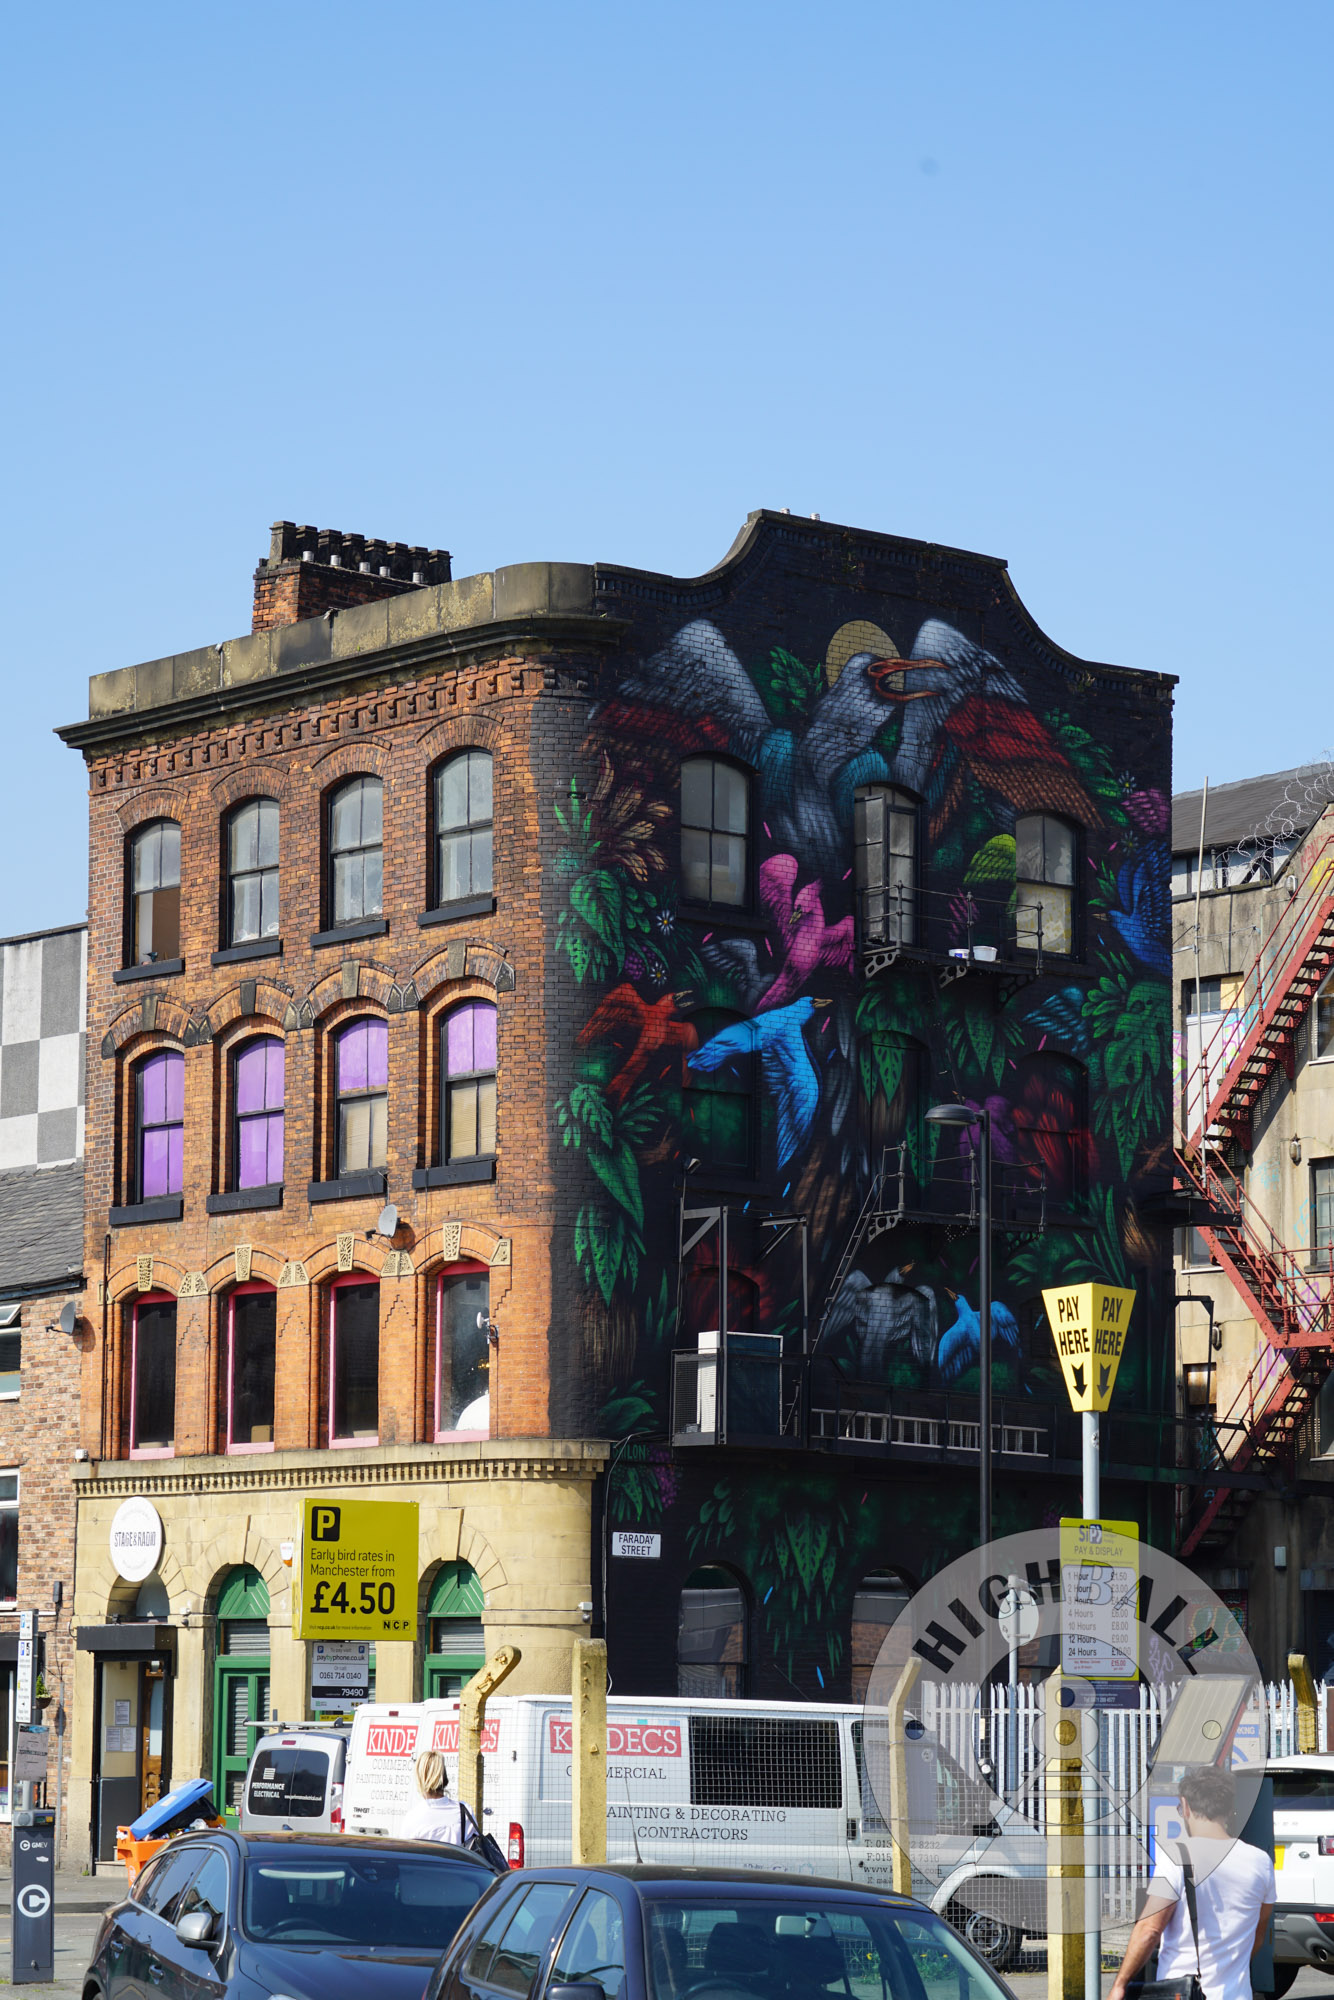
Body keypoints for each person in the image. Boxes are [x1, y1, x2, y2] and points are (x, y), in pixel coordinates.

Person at [1109, 1768, 1275, 2000]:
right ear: (1229, 1808)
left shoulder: (1176, 1857)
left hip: (1182, 1992)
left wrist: (1120, 1984)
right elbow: (1259, 1932)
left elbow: (1150, 1929)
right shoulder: (1261, 1862)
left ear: (1185, 1806)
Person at [400, 1749, 469, 1844]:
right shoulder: (464, 1811)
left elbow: (405, 1853)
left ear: (420, 1778)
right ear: (444, 1775)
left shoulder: (412, 1817)